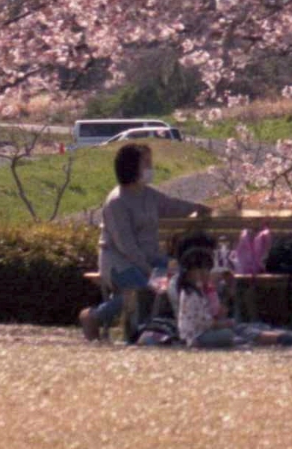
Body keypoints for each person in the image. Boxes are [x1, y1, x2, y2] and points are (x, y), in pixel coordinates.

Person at [81, 142, 204, 342]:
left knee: (181, 276)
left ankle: (174, 328)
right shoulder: (116, 202)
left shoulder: (149, 194)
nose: (150, 167)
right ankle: (95, 316)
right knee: (141, 289)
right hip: (119, 263)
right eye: (145, 163)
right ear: (131, 166)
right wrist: (148, 270)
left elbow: (171, 205)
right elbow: (125, 245)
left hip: (152, 259)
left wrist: (199, 208)